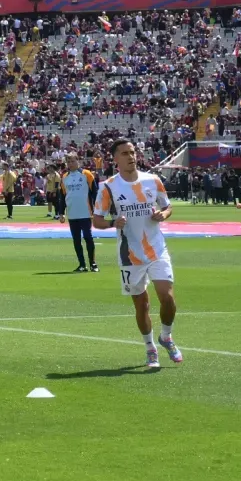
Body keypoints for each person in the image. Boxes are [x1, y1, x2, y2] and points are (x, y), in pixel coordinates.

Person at [94, 139, 182, 368]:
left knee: (168, 297)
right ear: (115, 159)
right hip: (130, 254)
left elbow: (168, 206)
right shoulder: (109, 187)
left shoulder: (153, 181)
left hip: (156, 249)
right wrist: (114, 222)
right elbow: (97, 220)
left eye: (132, 152)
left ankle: (166, 336)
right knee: (141, 305)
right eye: (124, 153)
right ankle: (150, 347)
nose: (130, 156)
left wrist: (164, 214)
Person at [63, 162, 99, 274]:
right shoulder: (64, 177)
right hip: (72, 213)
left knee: (88, 237)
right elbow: (62, 195)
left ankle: (93, 263)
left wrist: (98, 209)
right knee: (76, 240)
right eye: (69, 160)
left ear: (77, 162)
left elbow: (95, 192)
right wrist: (60, 212)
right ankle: (82, 264)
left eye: (72, 160)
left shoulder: (86, 174)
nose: (71, 163)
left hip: (85, 212)